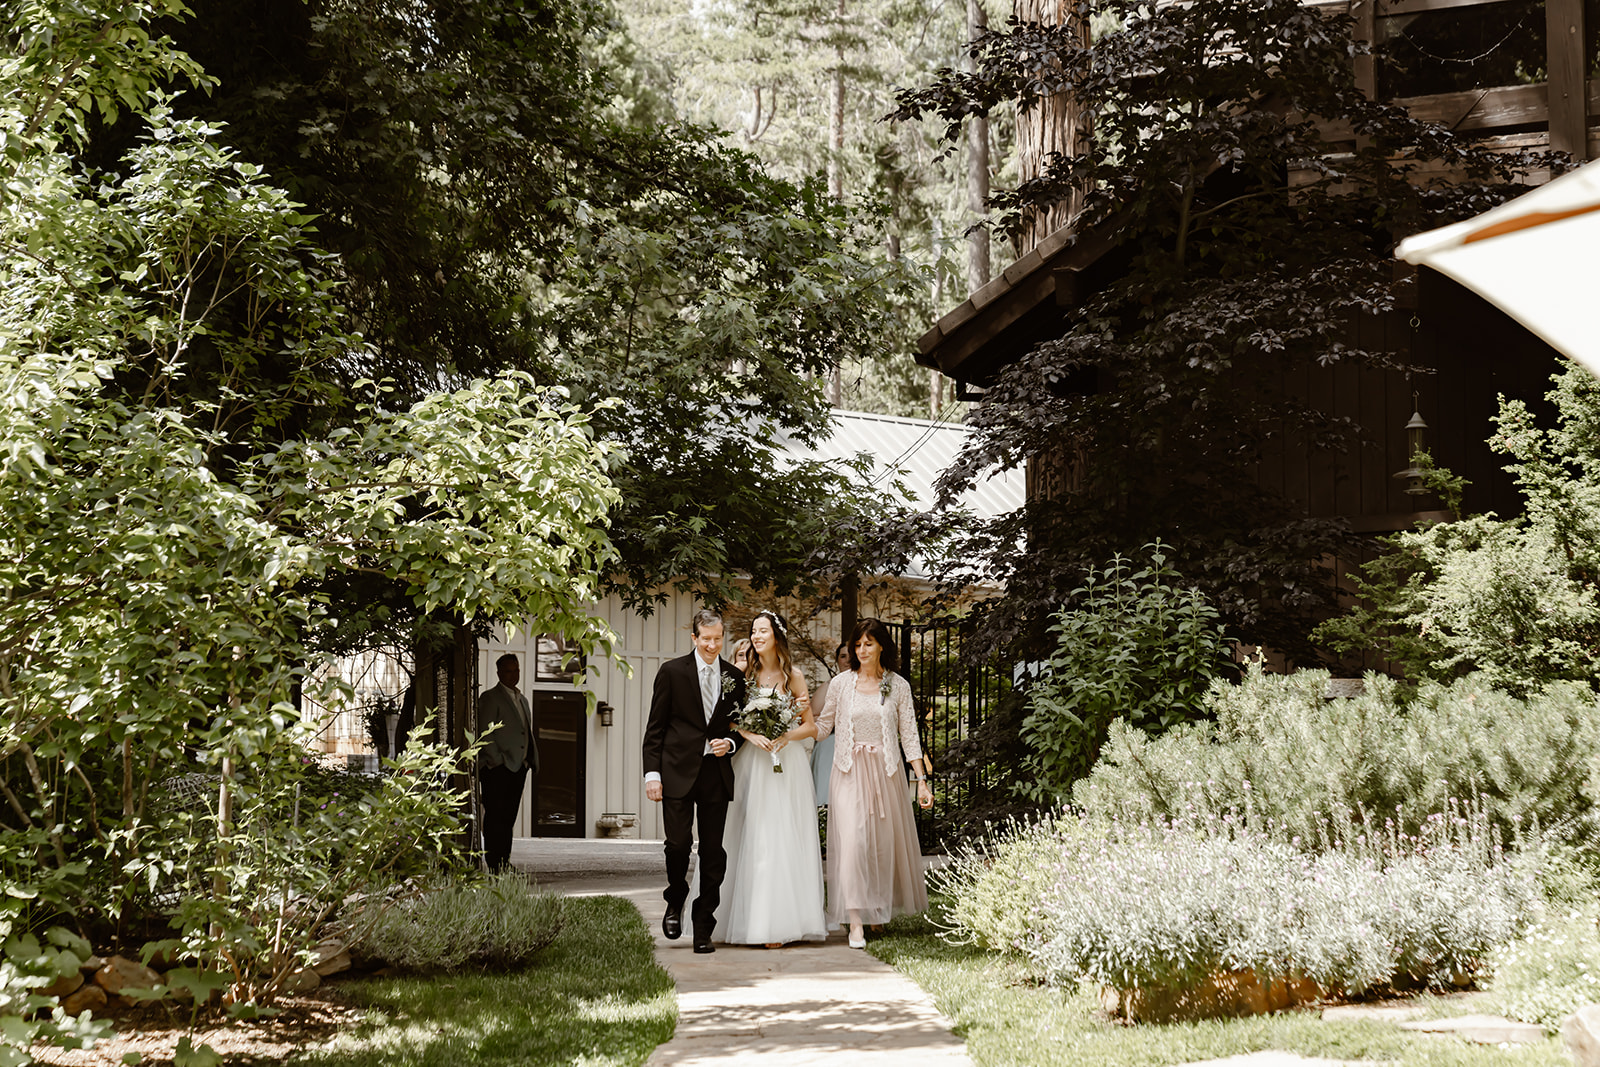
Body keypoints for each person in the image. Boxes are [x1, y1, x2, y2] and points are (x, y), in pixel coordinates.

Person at [704, 609, 827, 947]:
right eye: (753, 632)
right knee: (752, 835)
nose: (756, 637)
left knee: (782, 837)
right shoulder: (741, 673)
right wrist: (749, 733)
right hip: (752, 762)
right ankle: (743, 919)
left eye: (762, 631)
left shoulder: (794, 676)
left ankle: (780, 923)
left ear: (776, 636)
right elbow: (725, 720)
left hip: (785, 764)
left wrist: (785, 736)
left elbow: (811, 727)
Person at [814, 618, 933, 949]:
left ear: (881, 645)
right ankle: (855, 921)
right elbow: (824, 726)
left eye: (868, 644)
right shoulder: (841, 684)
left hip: (886, 773)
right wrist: (796, 728)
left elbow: (909, 736)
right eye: (857, 645)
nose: (862, 650)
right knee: (853, 843)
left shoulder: (898, 686)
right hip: (849, 771)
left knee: (879, 846)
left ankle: (876, 909)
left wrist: (921, 781)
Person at [642, 609, 746, 953]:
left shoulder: (734, 677)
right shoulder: (671, 672)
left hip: (715, 774)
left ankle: (704, 924)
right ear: (694, 638)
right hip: (675, 772)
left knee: (713, 852)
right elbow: (655, 728)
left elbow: (740, 728)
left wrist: (729, 744)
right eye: (706, 639)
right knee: (677, 845)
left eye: (718, 639)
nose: (713, 645)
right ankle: (675, 899)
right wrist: (652, 775)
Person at [477, 653, 539, 873]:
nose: (513, 675)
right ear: (499, 673)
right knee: (495, 816)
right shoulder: (490, 698)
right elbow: (484, 732)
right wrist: (497, 760)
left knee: (509, 816)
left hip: (519, 766)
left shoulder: (522, 699)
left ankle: (504, 860)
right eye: (508, 671)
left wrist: (527, 761)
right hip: (497, 768)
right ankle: (494, 862)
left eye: (516, 670)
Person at [808, 641, 849, 806]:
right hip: (830, 744)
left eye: (851, 656)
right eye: (843, 656)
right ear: (837, 660)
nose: (847, 660)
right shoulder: (829, 686)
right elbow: (812, 718)